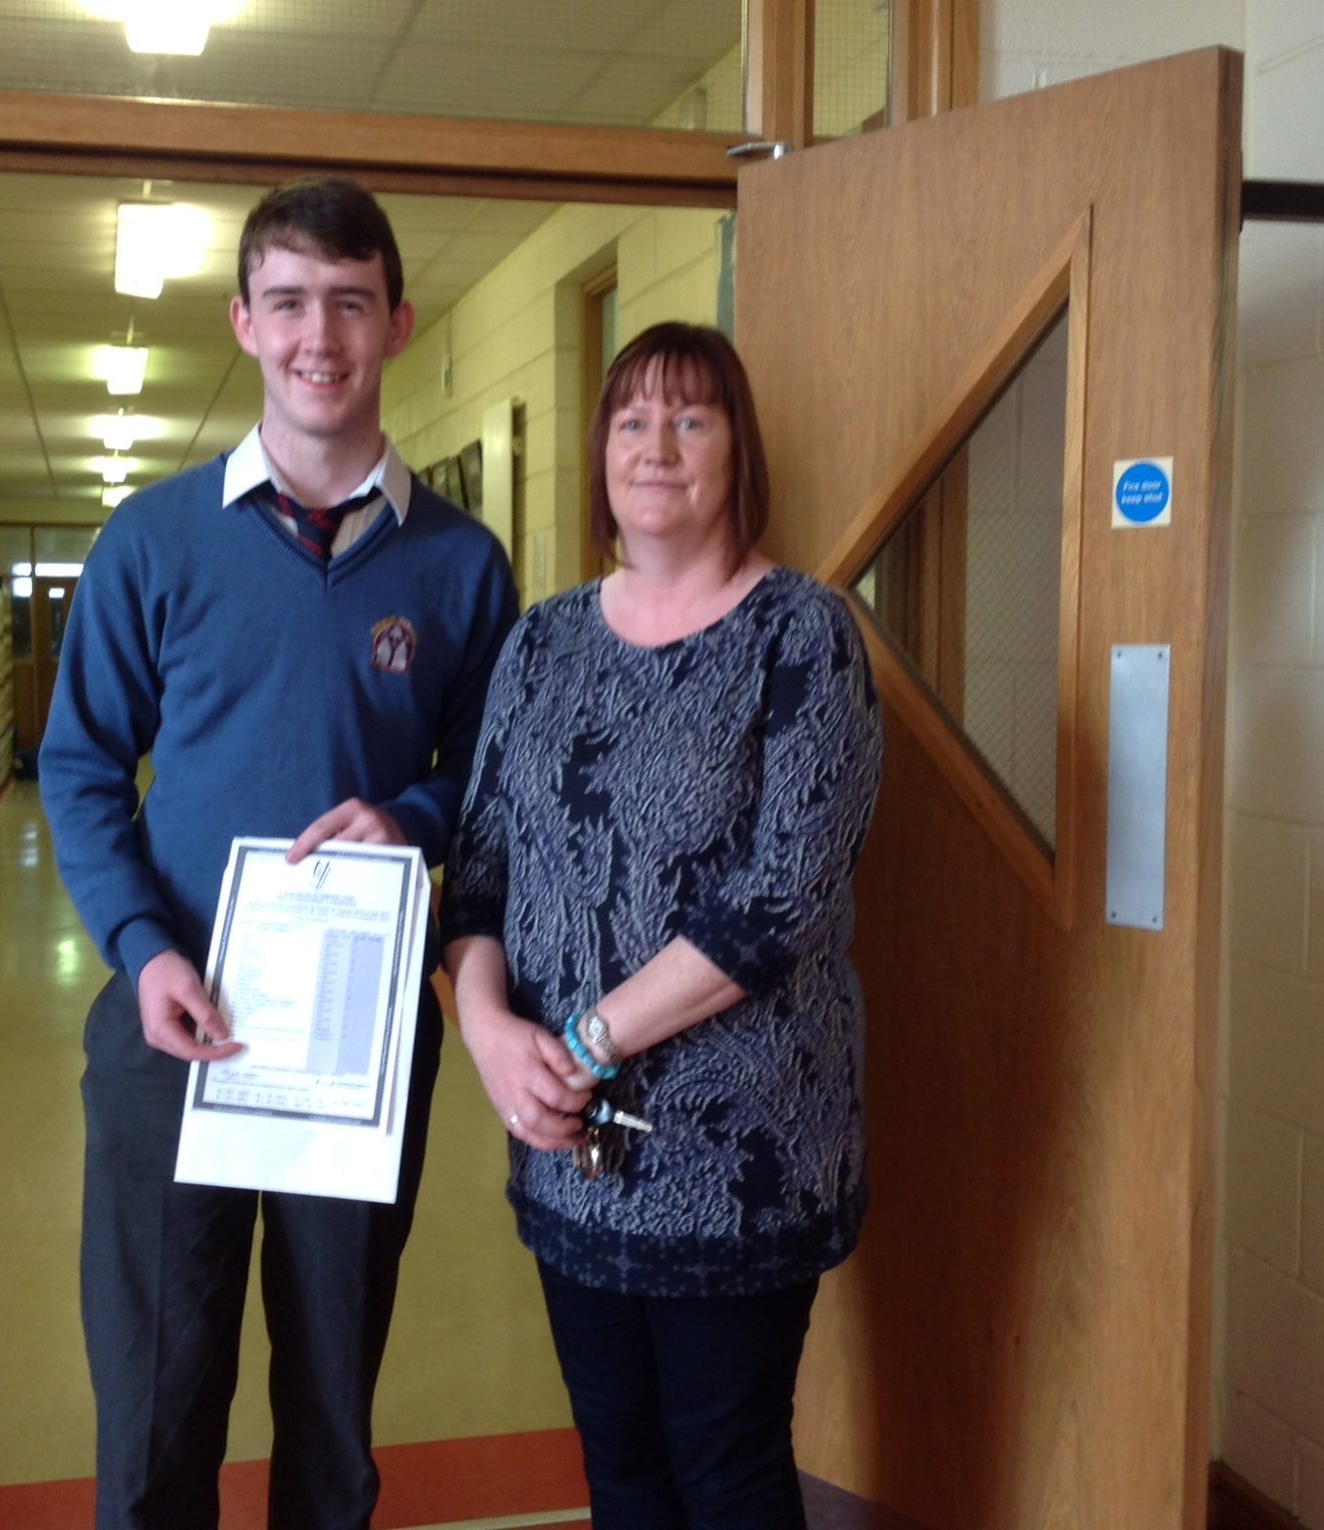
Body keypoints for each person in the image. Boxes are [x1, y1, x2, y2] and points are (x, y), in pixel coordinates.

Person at [39, 176, 520, 1530]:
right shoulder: (153, 540)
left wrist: (412, 816)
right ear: (244, 321)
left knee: (331, 1412)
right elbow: (80, 767)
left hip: (354, 1039)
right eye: (291, 302)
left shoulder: (460, 566)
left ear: (398, 324)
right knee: (155, 1409)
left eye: (351, 304)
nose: (321, 337)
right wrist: (143, 951)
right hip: (172, 1023)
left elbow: (493, 782)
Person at [442, 321, 883, 1527]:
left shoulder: (800, 635)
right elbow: (479, 865)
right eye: (631, 420)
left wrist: (586, 1042)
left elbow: (782, 898)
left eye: (691, 419)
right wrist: (488, 1031)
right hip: (567, 1144)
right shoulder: (540, 642)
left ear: (738, 450)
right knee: (620, 1469)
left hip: (737, 1151)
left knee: (726, 1471)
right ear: (598, 453)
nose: (657, 447)